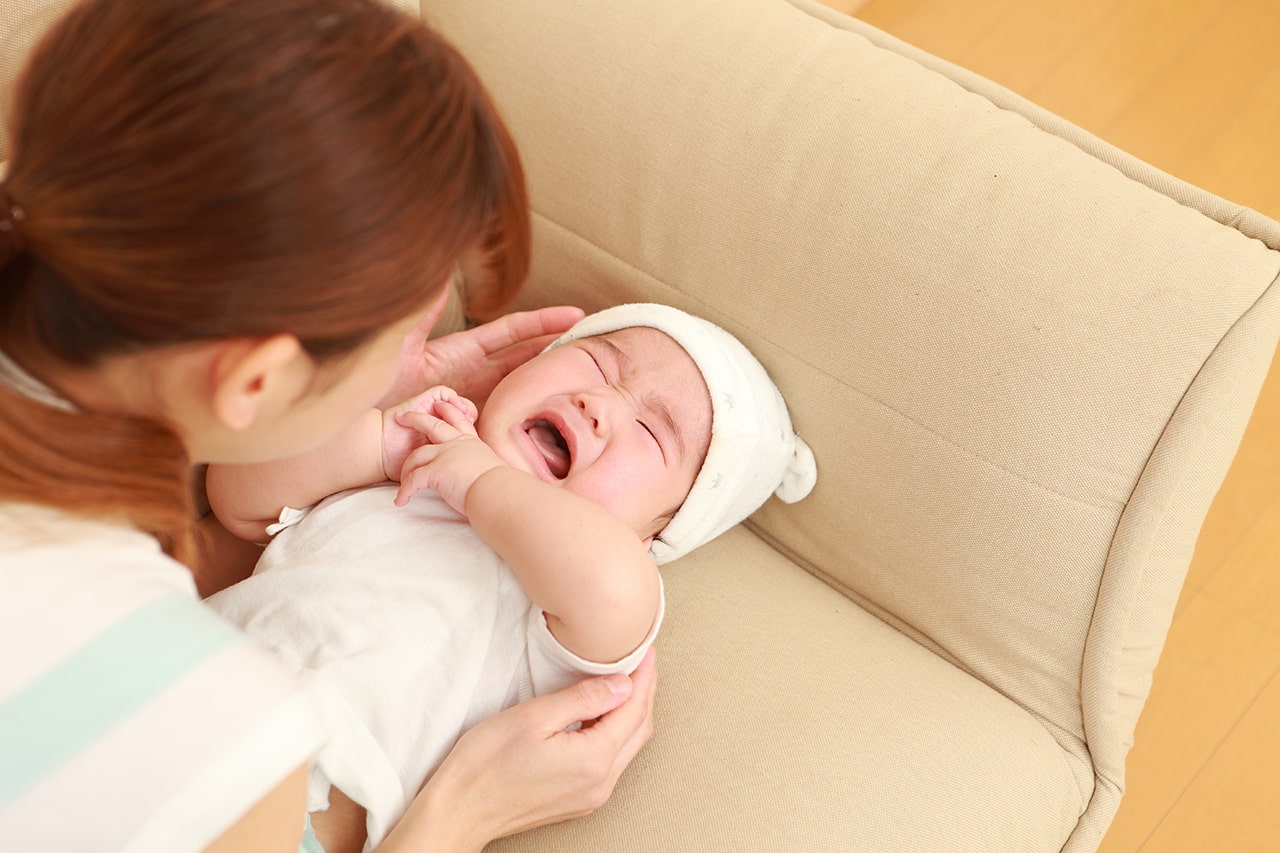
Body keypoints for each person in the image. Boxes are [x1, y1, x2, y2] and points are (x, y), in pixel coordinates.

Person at [0, 1, 659, 850]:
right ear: (255, 379)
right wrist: (460, 813)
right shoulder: (223, 742)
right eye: (411, 332)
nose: (423, 361)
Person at [204, 303, 819, 852]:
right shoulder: (400, 465)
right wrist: (380, 436)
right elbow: (236, 493)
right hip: (167, 692)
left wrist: (478, 483)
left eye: (652, 431)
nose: (599, 404)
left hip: (281, 812)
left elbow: (613, 586)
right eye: (598, 364)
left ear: (655, 535)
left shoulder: (566, 591)